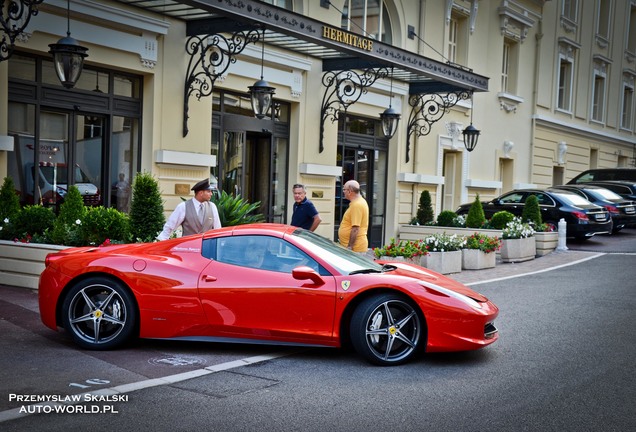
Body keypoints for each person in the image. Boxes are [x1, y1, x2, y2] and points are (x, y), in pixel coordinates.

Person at [156, 178, 221, 240]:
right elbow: (170, 226)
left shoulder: (212, 206)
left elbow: (217, 228)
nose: (211, 194)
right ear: (201, 193)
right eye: (208, 191)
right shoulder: (183, 206)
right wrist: (162, 240)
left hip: (207, 247)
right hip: (188, 248)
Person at [338, 179, 369, 253]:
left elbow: (355, 228)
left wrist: (349, 247)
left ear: (350, 191)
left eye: (344, 189)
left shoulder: (357, 205)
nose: (343, 192)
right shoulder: (358, 202)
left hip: (355, 249)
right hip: (355, 248)